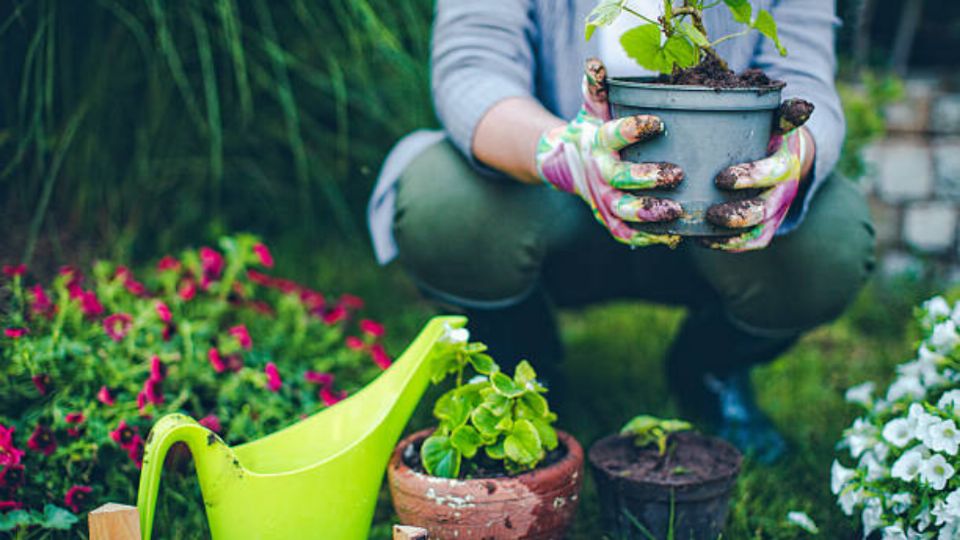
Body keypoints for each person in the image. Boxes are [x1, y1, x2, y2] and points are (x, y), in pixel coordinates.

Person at [367, 0, 875, 462]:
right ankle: (522, 357)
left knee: (829, 241)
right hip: (548, 199)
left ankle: (710, 365)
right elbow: (473, 70)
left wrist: (794, 157)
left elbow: (804, 79)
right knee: (443, 203)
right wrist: (565, 154)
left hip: (716, 205)